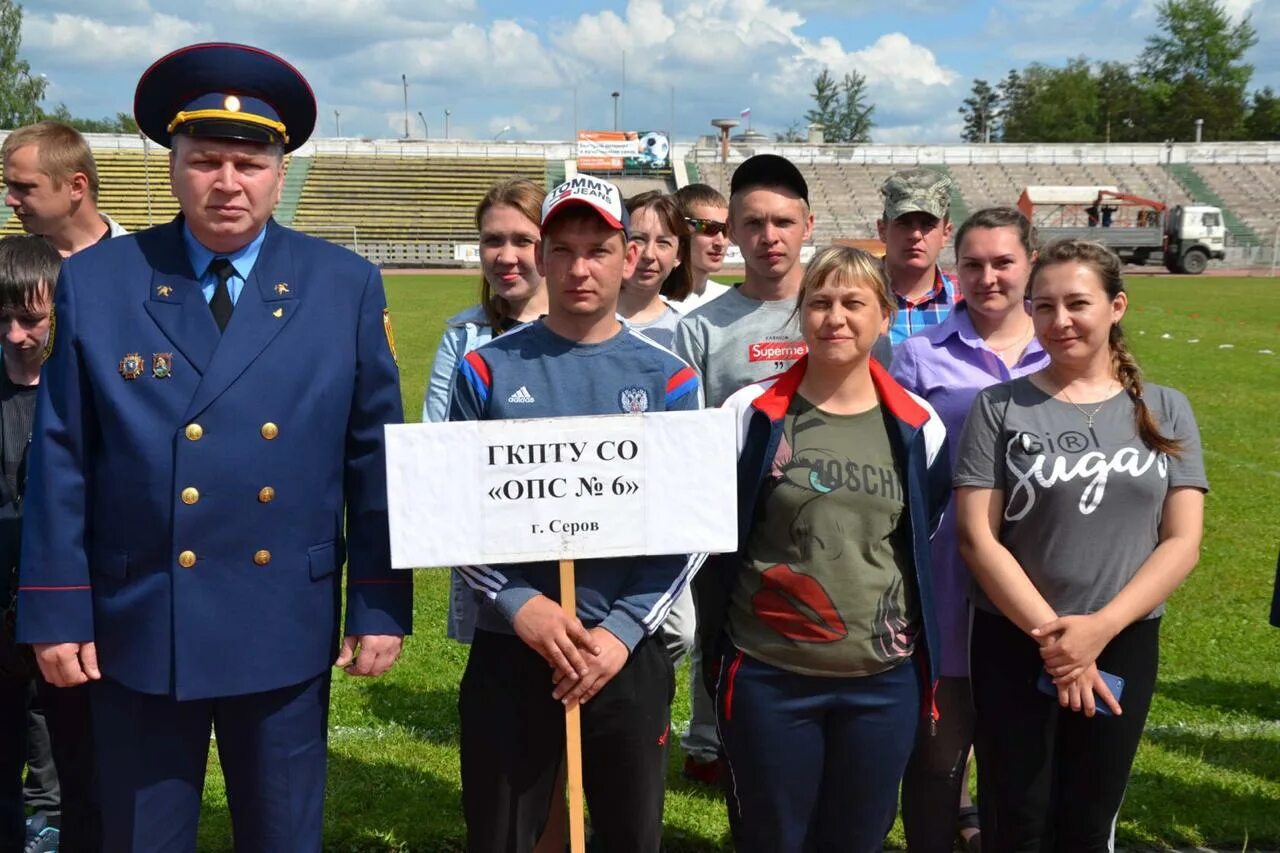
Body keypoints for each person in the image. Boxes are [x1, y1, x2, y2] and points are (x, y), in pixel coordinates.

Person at [15, 43, 412, 851]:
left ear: (278, 171)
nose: (227, 183)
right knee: (143, 836)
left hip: (282, 621)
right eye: (205, 161)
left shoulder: (343, 285)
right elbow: (61, 456)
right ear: (173, 167)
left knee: (281, 832)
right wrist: (56, 608)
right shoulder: (101, 281)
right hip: (142, 619)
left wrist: (377, 597)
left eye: (248, 162)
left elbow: (372, 457)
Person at [450, 174, 701, 853]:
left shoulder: (671, 378)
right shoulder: (485, 370)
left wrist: (620, 630)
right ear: (542, 258)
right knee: (501, 834)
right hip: (514, 644)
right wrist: (519, 601)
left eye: (598, 249)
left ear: (628, 256)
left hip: (621, 652)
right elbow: (453, 509)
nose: (580, 268)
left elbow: (689, 525)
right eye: (563, 249)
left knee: (629, 834)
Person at [954, 238, 1207, 850]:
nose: (1059, 321)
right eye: (1043, 307)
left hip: (1123, 641)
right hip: (1015, 642)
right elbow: (976, 535)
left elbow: (1182, 540)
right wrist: (1058, 640)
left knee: (1089, 821)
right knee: (1017, 816)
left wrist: (1099, 630)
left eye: (1077, 304)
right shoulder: (999, 406)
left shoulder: (1165, 409)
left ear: (1117, 306)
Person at [704, 245, 948, 851]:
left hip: (882, 683)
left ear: (885, 316)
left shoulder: (920, 425)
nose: (835, 317)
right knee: (771, 837)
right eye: (820, 302)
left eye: (853, 303)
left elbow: (918, 546)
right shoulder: (751, 413)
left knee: (857, 839)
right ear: (801, 313)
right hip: (769, 675)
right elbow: (715, 542)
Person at [891, 207, 1049, 853]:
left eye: (1003, 262)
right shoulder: (917, 355)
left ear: (1029, 263)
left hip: (1047, 580)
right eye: (975, 263)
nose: (988, 276)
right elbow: (897, 476)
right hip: (950, 581)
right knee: (936, 759)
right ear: (956, 268)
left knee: (1024, 764)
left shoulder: (1062, 345)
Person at [673, 153, 815, 785]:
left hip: (827, 518)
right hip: (734, 521)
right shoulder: (702, 329)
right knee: (723, 633)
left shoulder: (841, 309)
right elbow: (690, 437)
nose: (769, 237)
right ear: (730, 229)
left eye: (783, 221)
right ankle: (712, 743)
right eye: (753, 223)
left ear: (807, 224)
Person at [424, 177, 548, 644]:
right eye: (492, 240)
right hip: (491, 557)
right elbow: (438, 443)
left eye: (523, 240)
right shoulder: (462, 338)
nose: (505, 255)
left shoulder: (591, 330)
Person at [0, 236, 61, 853]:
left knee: (51, 719)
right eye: (2, 320)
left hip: (54, 589)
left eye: (32, 319)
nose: (17, 334)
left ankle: (49, 818)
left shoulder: (77, 388)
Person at [3, 121, 127, 257]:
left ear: (76, 187)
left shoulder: (138, 263)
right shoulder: (11, 264)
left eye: (24, 187)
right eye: (9, 186)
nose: (9, 201)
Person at [877, 167, 958, 346]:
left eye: (928, 225)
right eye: (904, 223)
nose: (915, 235)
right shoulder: (852, 295)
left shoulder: (967, 299)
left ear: (946, 233)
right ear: (882, 230)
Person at [618, 191, 684, 350]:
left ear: (679, 255)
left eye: (663, 243)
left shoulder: (686, 332)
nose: (649, 255)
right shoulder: (584, 321)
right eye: (638, 239)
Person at [664, 183, 731, 314]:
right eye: (709, 228)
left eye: (726, 229)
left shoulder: (729, 299)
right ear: (680, 229)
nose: (720, 242)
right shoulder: (649, 304)